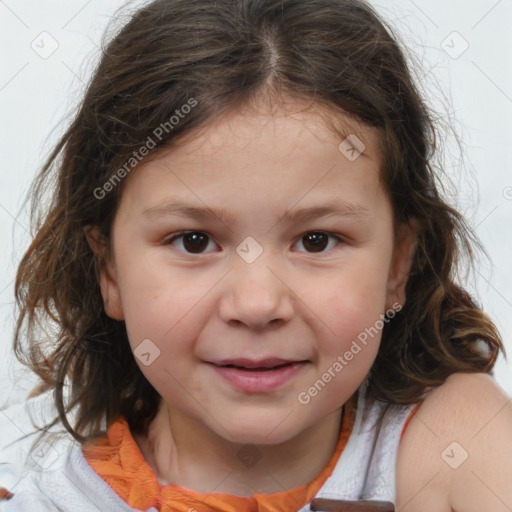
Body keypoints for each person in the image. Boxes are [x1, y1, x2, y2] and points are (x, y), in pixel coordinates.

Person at [1, 0, 511, 510]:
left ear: (398, 265)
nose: (257, 303)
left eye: (317, 240)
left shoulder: (458, 448)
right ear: (109, 269)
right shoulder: (37, 494)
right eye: (194, 241)